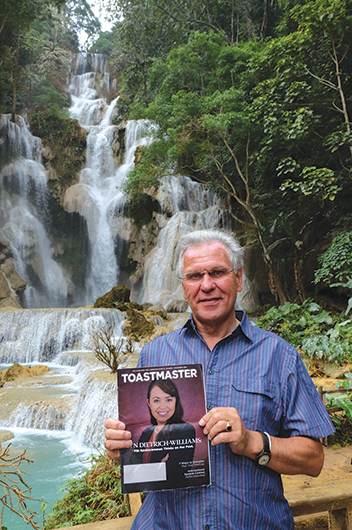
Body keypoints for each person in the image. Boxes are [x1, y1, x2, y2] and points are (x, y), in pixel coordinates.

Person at [105, 229, 335, 530]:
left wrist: (253, 441)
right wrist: (120, 447)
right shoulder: (155, 354)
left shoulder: (280, 356)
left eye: (217, 272)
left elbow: (314, 460)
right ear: (184, 287)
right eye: (194, 276)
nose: (207, 285)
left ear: (238, 279)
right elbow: (141, 462)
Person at [125, 379, 196, 491]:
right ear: (149, 403)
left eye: (168, 399)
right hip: (150, 497)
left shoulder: (185, 430)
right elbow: (131, 470)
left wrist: (143, 471)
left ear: (175, 401)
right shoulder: (147, 432)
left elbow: (174, 475)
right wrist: (159, 467)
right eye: (156, 400)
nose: (163, 406)